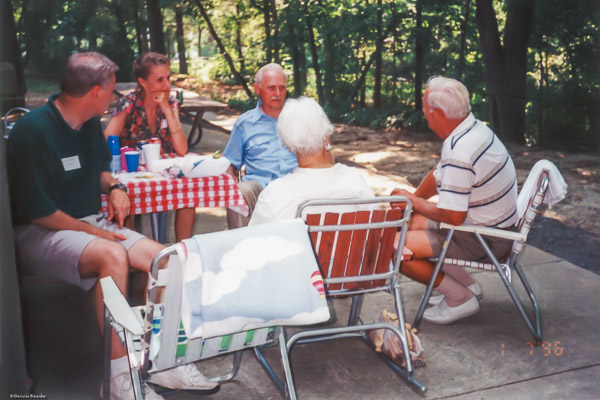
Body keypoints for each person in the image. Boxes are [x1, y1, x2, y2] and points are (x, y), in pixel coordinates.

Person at [6, 52, 216, 400]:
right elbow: (37, 211)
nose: (115, 97)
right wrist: (98, 233)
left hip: (89, 223)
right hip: (39, 232)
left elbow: (101, 171)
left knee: (169, 258)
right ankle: (119, 377)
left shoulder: (88, 125)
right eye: (110, 90)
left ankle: (165, 362)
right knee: (113, 255)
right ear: (93, 92)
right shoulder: (32, 131)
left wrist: (115, 187)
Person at [391, 76, 518, 325]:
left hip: (485, 240)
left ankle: (460, 298)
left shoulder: (460, 150)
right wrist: (413, 201)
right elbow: (439, 175)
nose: (424, 112)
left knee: (392, 249)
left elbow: (452, 216)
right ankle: (467, 285)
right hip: (495, 229)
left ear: (438, 113)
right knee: (411, 221)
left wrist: (414, 203)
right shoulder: (472, 129)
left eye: (425, 107)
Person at [104, 52, 195, 241]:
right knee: (117, 201)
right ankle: (141, 255)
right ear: (143, 82)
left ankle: (183, 252)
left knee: (188, 197)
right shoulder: (128, 104)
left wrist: (167, 110)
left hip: (161, 173)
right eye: (160, 79)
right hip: (131, 174)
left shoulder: (171, 103)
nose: (167, 84)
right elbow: (107, 140)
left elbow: (182, 149)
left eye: (168, 78)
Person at [250, 96, 374, 225]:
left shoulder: (273, 194)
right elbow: (374, 224)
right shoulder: (354, 179)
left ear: (288, 145)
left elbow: (253, 240)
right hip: (350, 245)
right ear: (326, 138)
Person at [222, 63, 298, 228]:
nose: (278, 94)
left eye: (282, 88)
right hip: (259, 190)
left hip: (297, 187)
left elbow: (323, 158)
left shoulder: (300, 119)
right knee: (239, 192)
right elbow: (229, 164)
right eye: (271, 88)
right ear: (257, 89)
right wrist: (230, 177)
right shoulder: (245, 124)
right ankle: (239, 247)